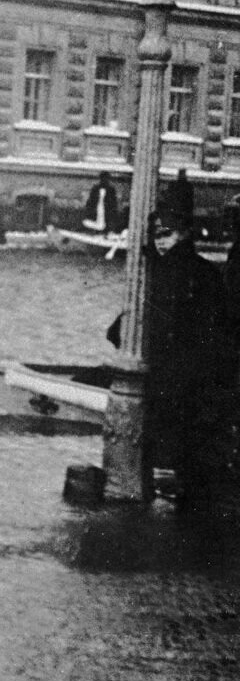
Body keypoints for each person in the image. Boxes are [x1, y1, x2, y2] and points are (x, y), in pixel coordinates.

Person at [107, 208, 235, 503]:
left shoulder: (178, 272)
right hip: (183, 369)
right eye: (157, 236)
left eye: (167, 235)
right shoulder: (182, 270)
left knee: (175, 433)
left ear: (183, 234)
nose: (161, 242)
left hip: (182, 369)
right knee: (181, 437)